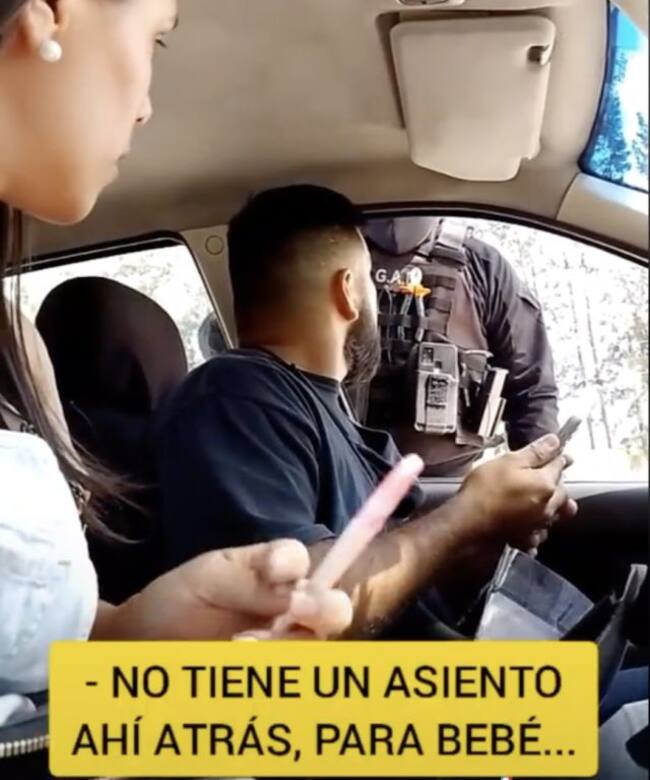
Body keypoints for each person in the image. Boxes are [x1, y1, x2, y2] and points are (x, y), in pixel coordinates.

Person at [0, 0, 354, 754]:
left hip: (119, 731)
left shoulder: (12, 344)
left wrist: (134, 635)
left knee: (537, 715)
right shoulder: (243, 398)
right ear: (50, 16)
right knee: (532, 719)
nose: (147, 106)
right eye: (156, 38)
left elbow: (43, 676)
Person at [153, 184, 577, 637]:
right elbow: (291, 616)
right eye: (370, 278)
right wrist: (470, 513)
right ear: (348, 291)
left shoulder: (327, 415)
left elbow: (391, 578)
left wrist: (484, 538)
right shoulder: (233, 399)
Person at [358, 216, 559, 476]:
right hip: (345, 479)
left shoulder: (481, 264)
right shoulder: (482, 264)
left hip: (449, 486)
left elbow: (531, 389)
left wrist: (538, 477)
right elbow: (533, 388)